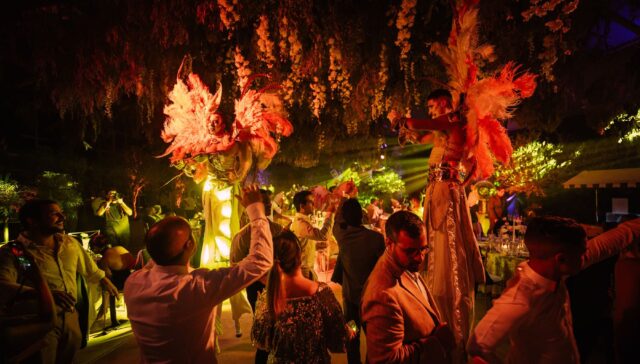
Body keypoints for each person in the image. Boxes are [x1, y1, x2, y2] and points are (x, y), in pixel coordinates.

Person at [123, 184, 273, 363]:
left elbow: (159, 252)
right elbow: (260, 261)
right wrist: (256, 210)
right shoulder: (197, 287)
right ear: (190, 245)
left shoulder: (133, 282)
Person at [468, 216, 640, 364]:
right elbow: (477, 346)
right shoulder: (521, 298)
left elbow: (603, 246)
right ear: (561, 259)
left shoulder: (555, 272)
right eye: (581, 253)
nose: (585, 256)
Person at [393, 89, 485, 359]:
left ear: (444, 103)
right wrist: (407, 129)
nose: (431, 111)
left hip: (444, 193)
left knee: (447, 249)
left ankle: (450, 320)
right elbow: (422, 135)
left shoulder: (452, 122)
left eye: (432, 105)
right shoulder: (444, 129)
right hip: (438, 192)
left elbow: (422, 125)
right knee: (435, 246)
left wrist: (404, 119)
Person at [0, 199, 119, 364]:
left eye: (60, 212)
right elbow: (4, 285)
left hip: (70, 318)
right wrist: (45, 294)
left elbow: (89, 268)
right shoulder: (17, 251)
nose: (62, 216)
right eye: (53, 214)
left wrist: (106, 282)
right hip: (39, 322)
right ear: (31, 221)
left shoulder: (69, 243)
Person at [361, 211, 454, 364]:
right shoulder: (382, 295)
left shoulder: (403, 265)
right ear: (389, 243)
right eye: (410, 251)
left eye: (423, 249)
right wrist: (435, 342)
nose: (420, 257)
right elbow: (385, 360)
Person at [251, 230, 348, 363]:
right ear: (300, 256)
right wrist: (351, 329)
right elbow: (339, 337)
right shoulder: (322, 294)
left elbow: (261, 341)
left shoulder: (267, 297)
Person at [230, 188, 283, 363]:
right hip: (257, 287)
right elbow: (235, 266)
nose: (267, 206)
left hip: (281, 283)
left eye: (268, 202)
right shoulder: (243, 235)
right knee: (263, 327)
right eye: (263, 202)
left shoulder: (279, 230)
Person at [332, 198, 385, 364]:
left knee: (352, 338)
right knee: (375, 341)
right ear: (362, 217)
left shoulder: (342, 236)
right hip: (372, 301)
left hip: (351, 302)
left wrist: (342, 202)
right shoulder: (376, 239)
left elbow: (336, 219)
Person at [290, 190, 335, 280]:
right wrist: (330, 214)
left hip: (306, 268)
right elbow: (323, 236)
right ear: (302, 206)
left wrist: (316, 246)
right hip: (303, 270)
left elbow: (303, 245)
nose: (314, 205)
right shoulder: (301, 223)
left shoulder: (303, 221)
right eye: (311, 202)